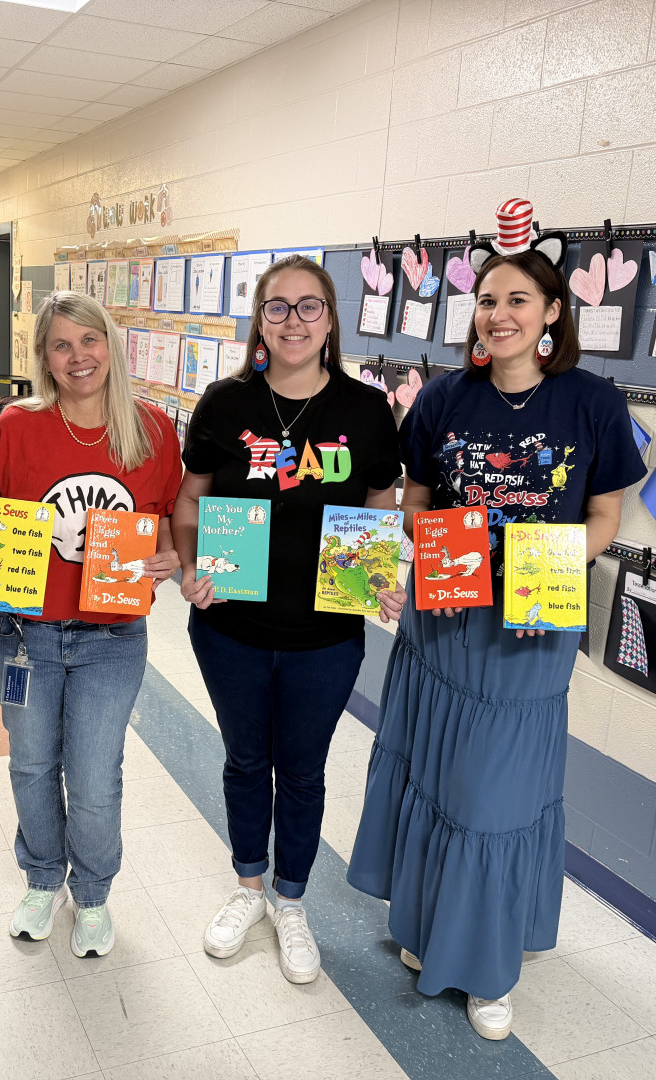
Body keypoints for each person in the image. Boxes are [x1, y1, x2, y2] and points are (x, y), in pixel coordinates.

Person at [346, 201, 647, 1039]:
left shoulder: (592, 402)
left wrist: (536, 563)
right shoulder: (445, 398)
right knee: (434, 774)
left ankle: (486, 966)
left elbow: (605, 520)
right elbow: (413, 503)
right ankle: (427, 923)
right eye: (486, 301)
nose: (498, 315)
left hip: (529, 630)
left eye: (518, 300)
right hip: (444, 619)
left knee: (493, 798)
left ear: (552, 313)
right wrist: (430, 547)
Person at [171, 254, 404, 985]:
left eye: (309, 307)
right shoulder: (225, 404)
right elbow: (189, 500)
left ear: (330, 320)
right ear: (260, 320)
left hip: (325, 636)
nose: (293, 320)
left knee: (302, 771)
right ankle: (248, 886)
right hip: (230, 629)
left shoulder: (366, 410)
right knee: (246, 761)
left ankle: (291, 899)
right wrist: (188, 567)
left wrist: (379, 572)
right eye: (278, 306)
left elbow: (380, 500)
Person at [0, 291, 182, 959]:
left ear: (110, 345)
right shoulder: (15, 427)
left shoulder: (152, 428)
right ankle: (44, 879)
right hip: (21, 634)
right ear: (44, 358)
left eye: (89, 340)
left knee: (96, 775)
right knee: (30, 764)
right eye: (61, 345)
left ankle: (95, 893)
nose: (78, 356)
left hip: (111, 637)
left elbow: (165, 521)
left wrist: (170, 557)